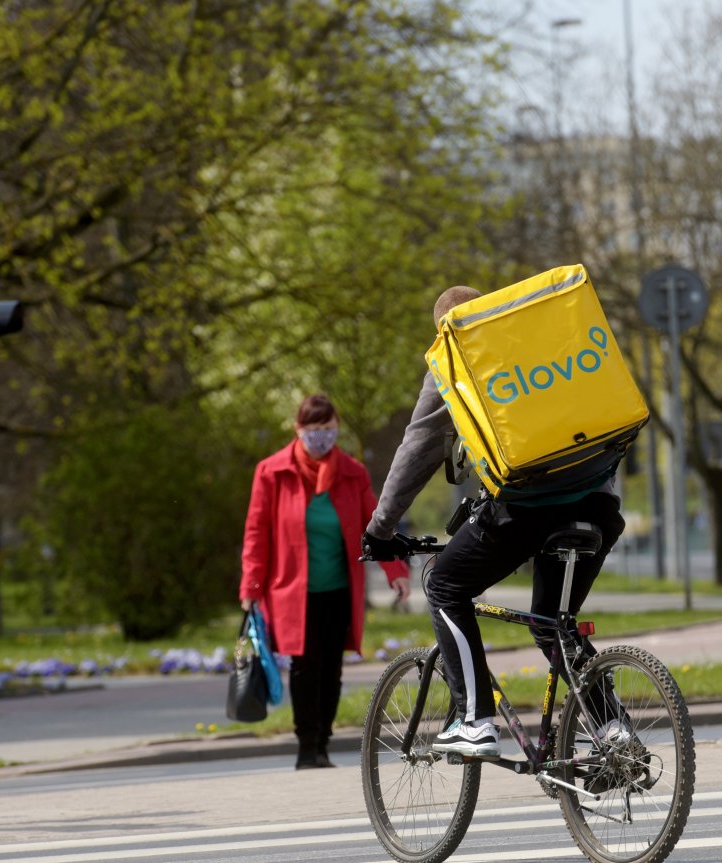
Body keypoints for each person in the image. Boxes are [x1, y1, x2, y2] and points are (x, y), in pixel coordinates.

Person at [359, 286, 626, 759]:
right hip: (598, 508)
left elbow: (419, 447)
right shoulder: (542, 342)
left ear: (444, 328)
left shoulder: (455, 357)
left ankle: (475, 721)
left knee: (444, 585)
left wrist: (380, 529)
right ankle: (614, 732)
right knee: (552, 623)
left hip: (528, 508)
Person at [241, 394, 409, 769]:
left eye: (328, 429)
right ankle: (306, 746)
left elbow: (376, 526)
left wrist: (395, 570)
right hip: (292, 592)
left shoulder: (352, 473)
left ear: (337, 429)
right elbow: (256, 533)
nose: (321, 436)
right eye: (314, 430)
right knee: (304, 666)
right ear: (298, 430)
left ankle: (323, 744)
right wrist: (251, 587)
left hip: (338, 590)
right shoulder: (272, 472)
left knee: (332, 668)